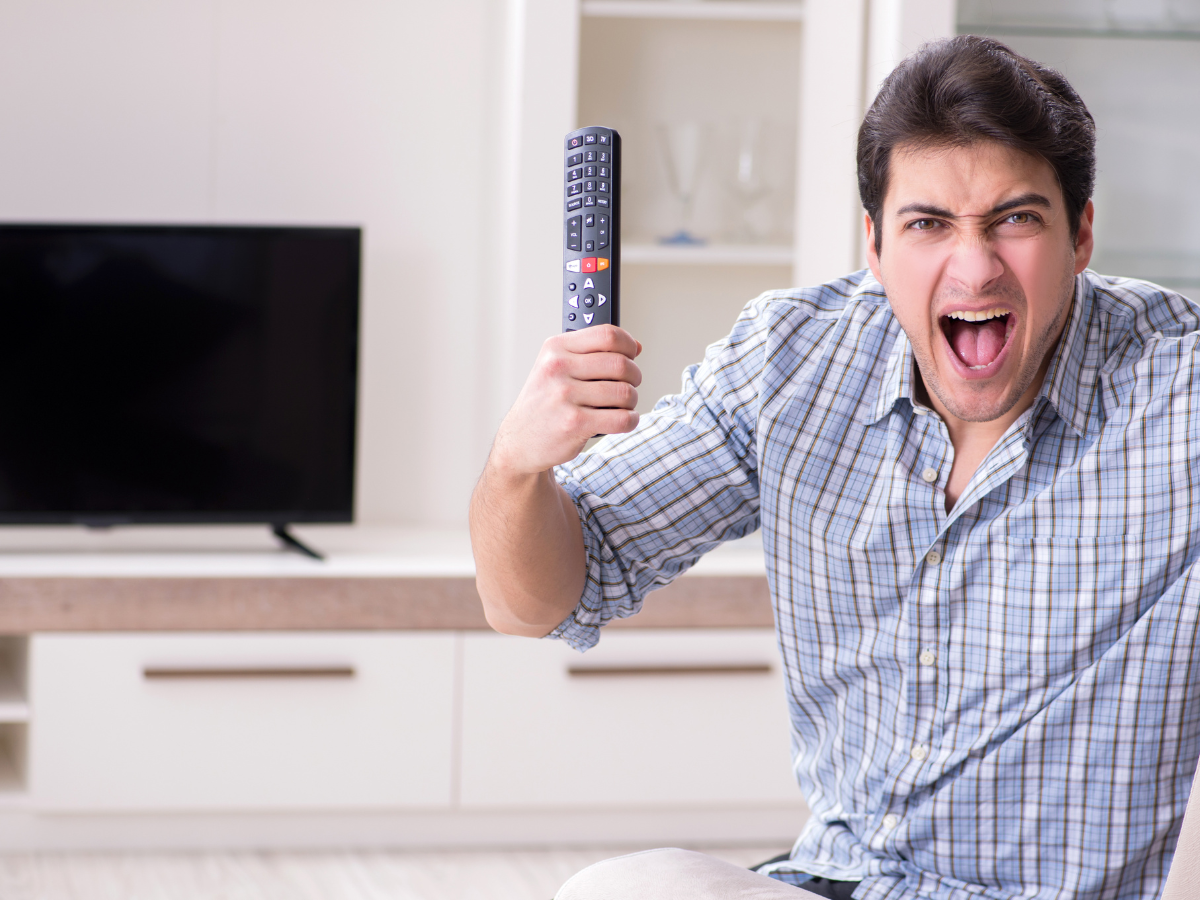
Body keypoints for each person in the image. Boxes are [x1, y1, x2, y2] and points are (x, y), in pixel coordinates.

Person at [469, 34, 1200, 900]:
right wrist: (518, 467)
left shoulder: (1176, 389)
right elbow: (538, 600)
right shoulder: (792, 357)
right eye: (928, 224)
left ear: (1080, 234)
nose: (974, 266)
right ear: (876, 244)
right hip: (837, 883)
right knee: (621, 889)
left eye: (1016, 218)